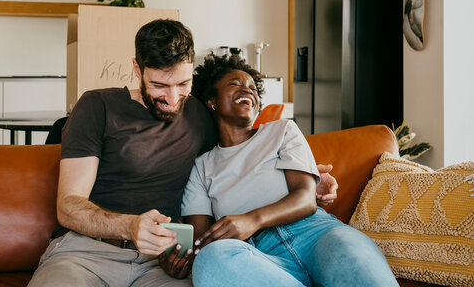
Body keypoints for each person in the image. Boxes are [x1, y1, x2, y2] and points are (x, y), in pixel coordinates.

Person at [28, 19, 337, 287]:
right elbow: (68, 206)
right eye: (159, 85)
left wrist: (310, 174)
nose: (172, 98)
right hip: (86, 253)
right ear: (137, 68)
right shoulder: (98, 106)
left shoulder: (201, 116)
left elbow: (245, 157)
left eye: (183, 83)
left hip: (161, 264)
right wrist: (130, 226)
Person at [160, 54, 397, 287]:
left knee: (349, 249)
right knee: (212, 260)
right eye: (235, 84)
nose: (248, 90)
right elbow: (204, 242)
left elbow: (306, 199)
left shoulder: (282, 130)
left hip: (316, 234)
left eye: (253, 87)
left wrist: (252, 220)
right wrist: (183, 260)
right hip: (260, 257)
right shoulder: (201, 167)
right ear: (211, 100)